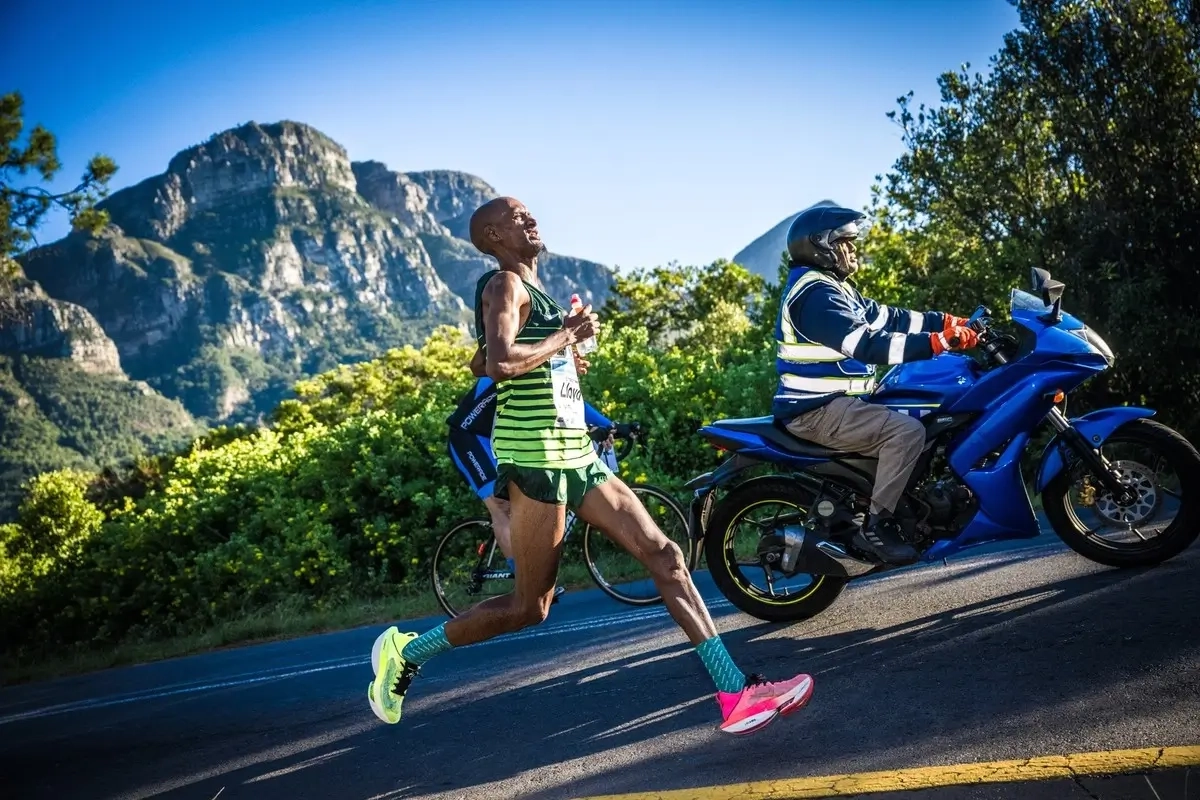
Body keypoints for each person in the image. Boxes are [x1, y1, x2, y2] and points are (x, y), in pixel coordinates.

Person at [369, 196, 814, 736]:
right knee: (529, 608)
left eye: (529, 212)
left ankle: (734, 693)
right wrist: (565, 338)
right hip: (535, 459)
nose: (530, 219)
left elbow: (484, 360)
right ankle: (407, 651)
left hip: (576, 454)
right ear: (492, 237)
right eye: (515, 217)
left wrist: (567, 355)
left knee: (666, 555)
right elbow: (503, 364)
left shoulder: (537, 294)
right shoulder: (502, 284)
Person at [772, 202, 977, 566]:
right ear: (822, 245)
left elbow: (891, 318)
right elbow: (867, 343)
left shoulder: (835, 288)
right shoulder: (814, 296)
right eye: (846, 241)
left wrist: (950, 322)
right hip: (818, 410)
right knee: (907, 433)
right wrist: (940, 342)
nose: (854, 248)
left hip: (841, 404)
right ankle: (878, 524)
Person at [445, 370, 616, 600]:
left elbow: (569, 399)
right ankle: (527, 582)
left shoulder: (548, 365)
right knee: (502, 508)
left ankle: (533, 566)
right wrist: (598, 426)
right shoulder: (519, 362)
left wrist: (610, 425)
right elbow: (556, 404)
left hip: (499, 440)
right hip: (469, 440)